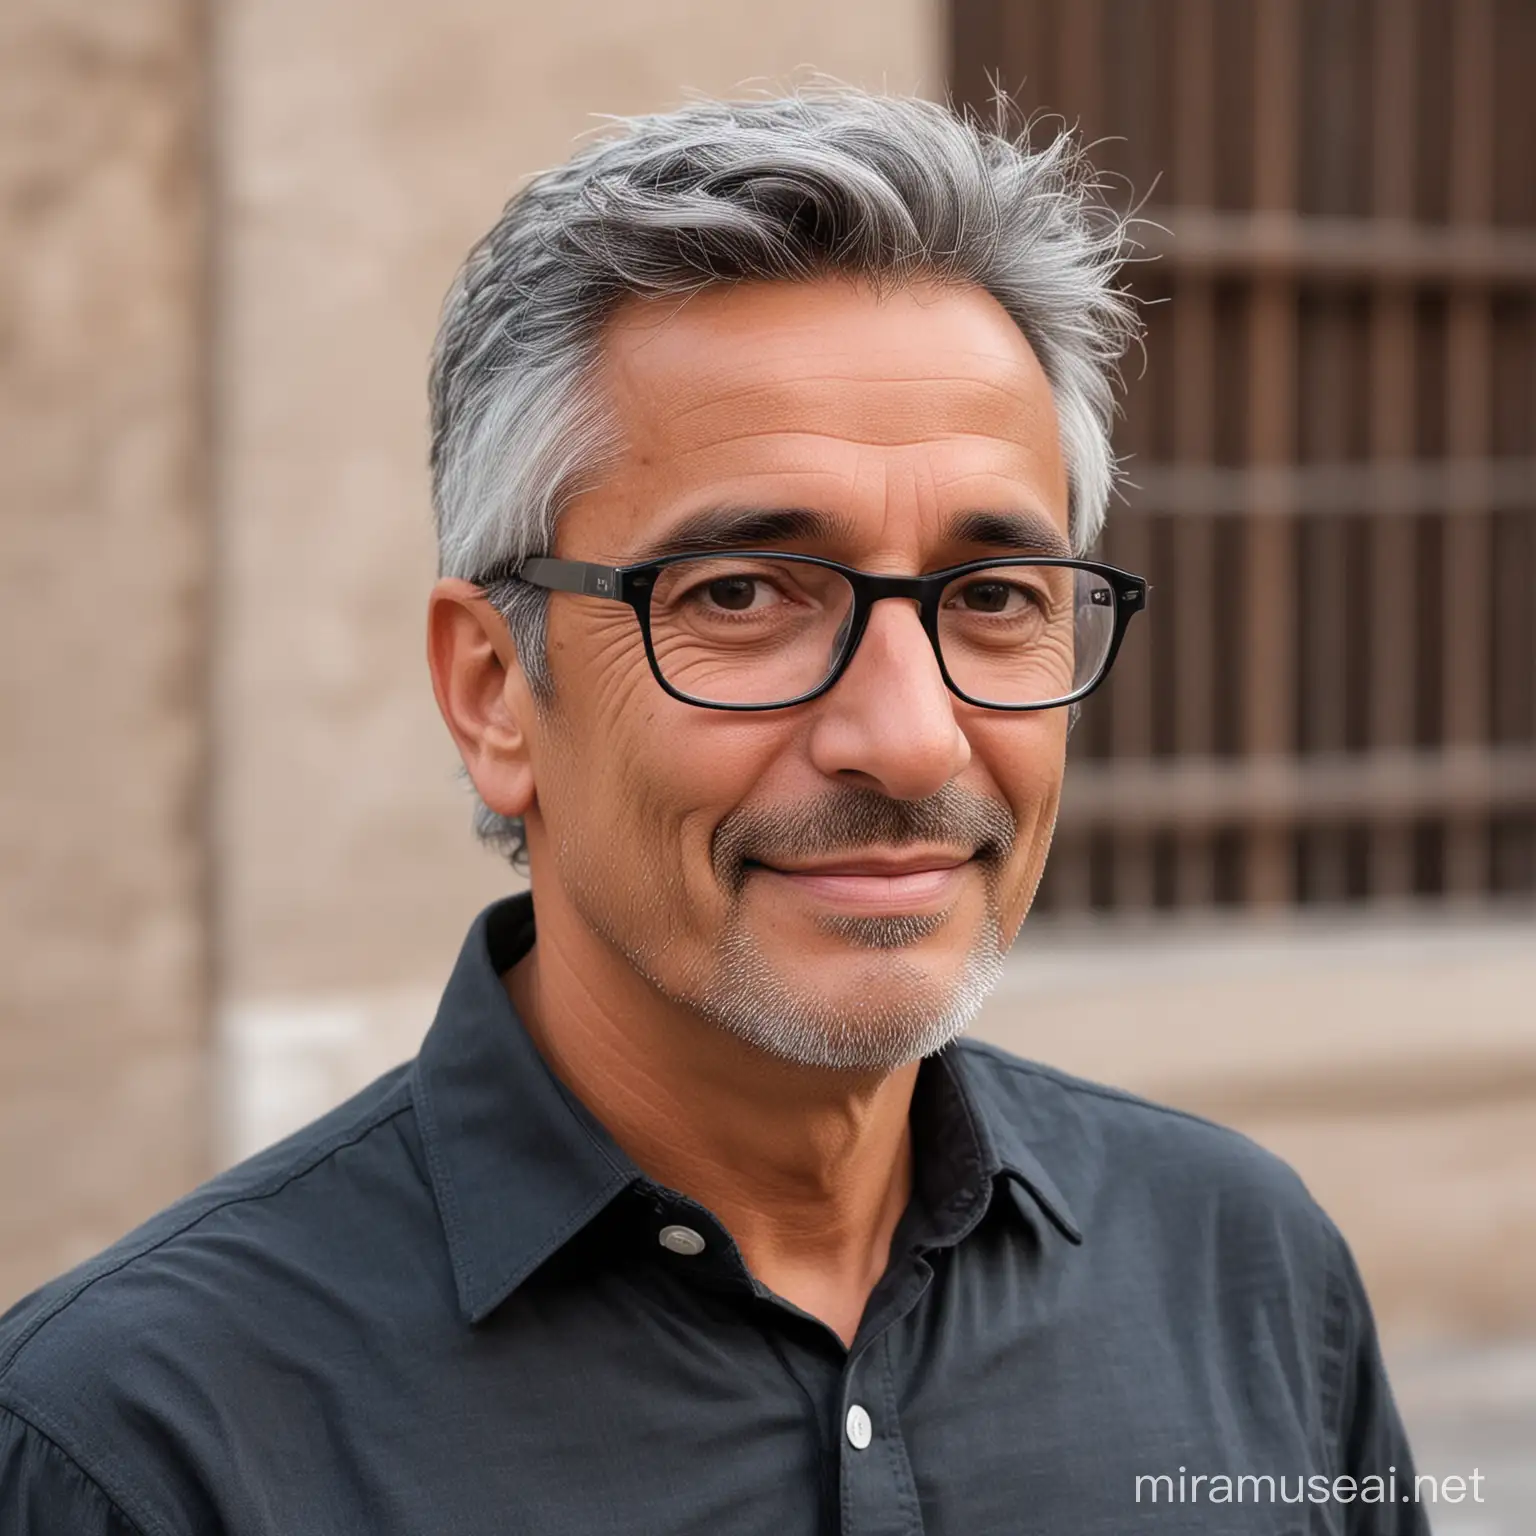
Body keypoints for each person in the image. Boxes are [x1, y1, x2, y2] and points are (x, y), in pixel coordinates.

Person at [0, 90, 1426, 1534]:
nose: (911, 740)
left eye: (994, 598)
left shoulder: (1241, 1269)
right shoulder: (141, 1447)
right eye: (741, 595)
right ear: (497, 691)